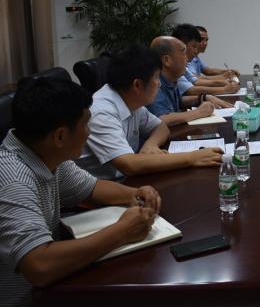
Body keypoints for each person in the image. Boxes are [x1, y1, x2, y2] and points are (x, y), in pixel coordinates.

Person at [0, 77, 161, 306]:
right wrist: (122, 232)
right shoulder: (13, 179)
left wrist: (135, 194)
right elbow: (39, 266)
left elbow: (92, 188)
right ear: (60, 136)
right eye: (85, 125)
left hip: (56, 285)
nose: (88, 133)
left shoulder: (44, 153)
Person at [76, 46, 223, 180]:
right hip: (102, 190)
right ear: (137, 85)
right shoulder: (102, 112)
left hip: (128, 179)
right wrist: (192, 158)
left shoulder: (130, 99)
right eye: (157, 77)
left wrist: (150, 145)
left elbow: (160, 127)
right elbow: (129, 164)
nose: (159, 83)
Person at [147, 36, 233, 127]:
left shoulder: (171, 79)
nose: (187, 59)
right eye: (183, 53)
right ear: (166, 60)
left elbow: (179, 101)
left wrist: (203, 98)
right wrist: (200, 112)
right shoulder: (154, 83)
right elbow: (161, 119)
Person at [171, 24, 240, 96]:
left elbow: (197, 80)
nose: (205, 43)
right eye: (194, 46)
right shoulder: (175, 67)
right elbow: (191, 90)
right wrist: (224, 88)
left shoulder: (185, 64)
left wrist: (223, 81)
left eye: (206, 40)